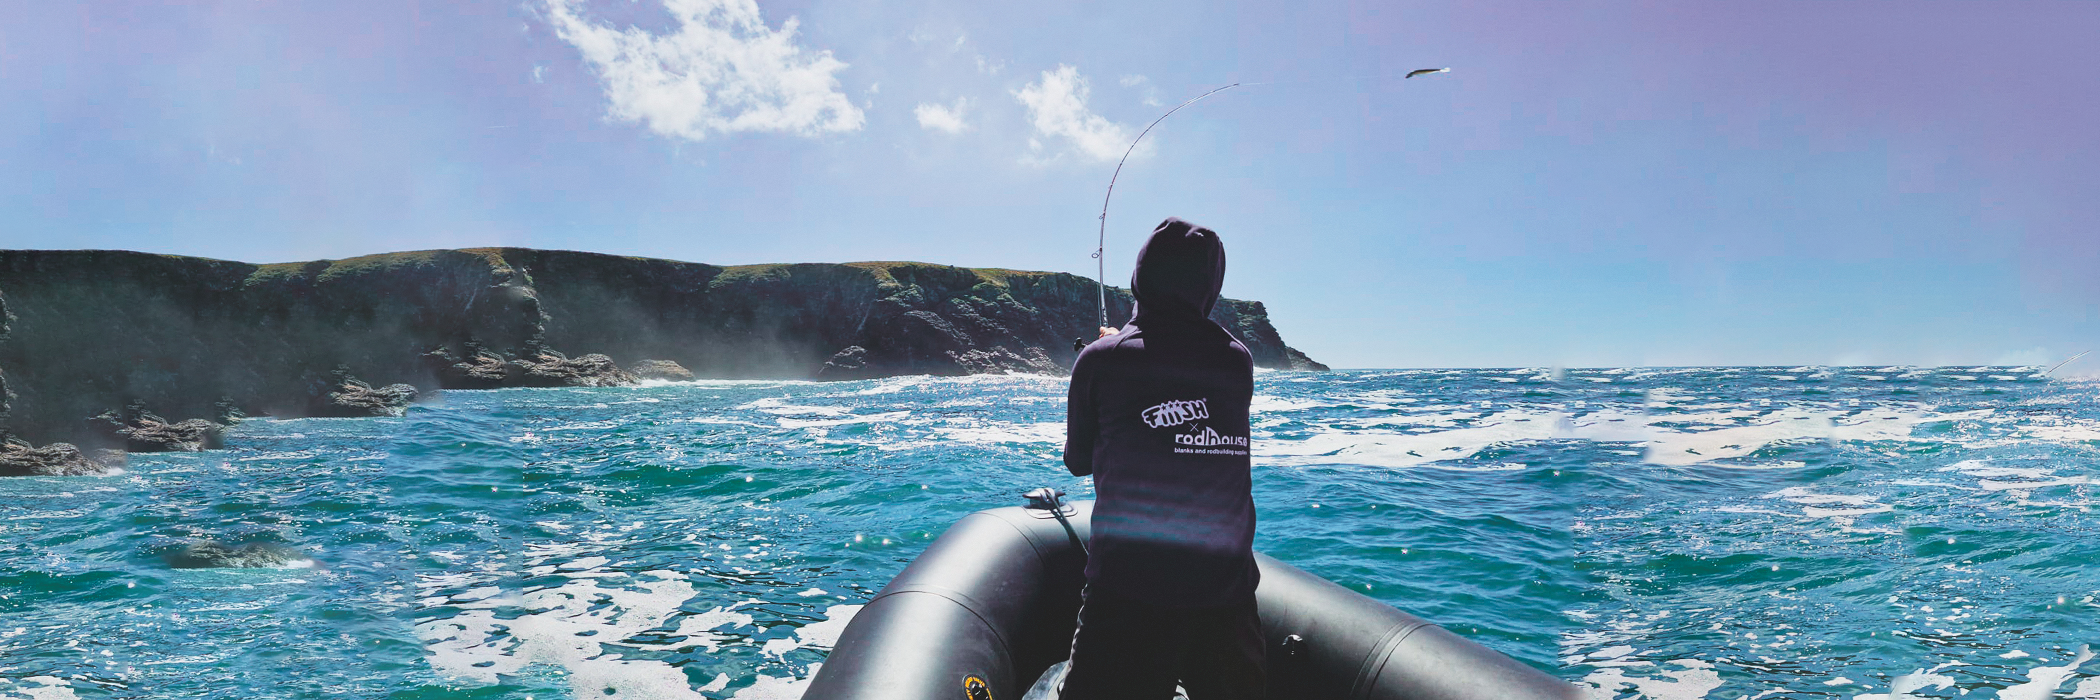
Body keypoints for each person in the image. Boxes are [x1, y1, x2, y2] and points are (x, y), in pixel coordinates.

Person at [1060, 217, 1264, 699]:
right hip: (1227, 592)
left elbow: (1078, 461)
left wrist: (1111, 342)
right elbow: (1174, 372)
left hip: (1130, 592)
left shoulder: (1102, 359)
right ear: (1211, 285)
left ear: (1141, 276)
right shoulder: (1237, 359)